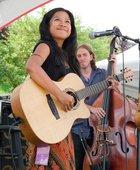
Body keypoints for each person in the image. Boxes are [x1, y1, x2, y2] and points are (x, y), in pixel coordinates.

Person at [25, 7, 80, 170]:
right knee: (42, 163)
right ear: (47, 25)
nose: (63, 24)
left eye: (68, 22)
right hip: (45, 120)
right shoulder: (45, 45)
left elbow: (72, 95)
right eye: (57, 20)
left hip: (60, 123)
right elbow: (32, 67)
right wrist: (60, 94)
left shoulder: (69, 57)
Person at [71, 44, 121, 170]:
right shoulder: (73, 78)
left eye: (84, 55)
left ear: (91, 57)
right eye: (79, 56)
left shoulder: (102, 74)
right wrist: (91, 109)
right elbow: (71, 101)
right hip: (77, 129)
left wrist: (114, 66)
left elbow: (116, 90)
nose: (81, 58)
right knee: (77, 165)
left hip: (99, 129)